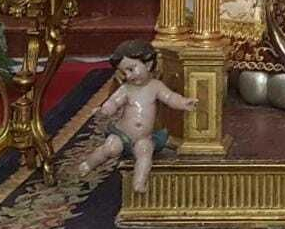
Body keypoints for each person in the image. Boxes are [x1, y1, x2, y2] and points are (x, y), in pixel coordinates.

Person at [78, 39, 197, 193]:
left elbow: (170, 98)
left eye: (131, 69)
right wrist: (105, 110)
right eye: (124, 72)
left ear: (147, 65)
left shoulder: (155, 86)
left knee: (145, 151)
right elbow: (114, 101)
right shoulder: (127, 89)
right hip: (122, 134)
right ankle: (88, 164)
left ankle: (139, 182)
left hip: (144, 137)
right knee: (111, 148)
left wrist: (183, 103)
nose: (128, 76)